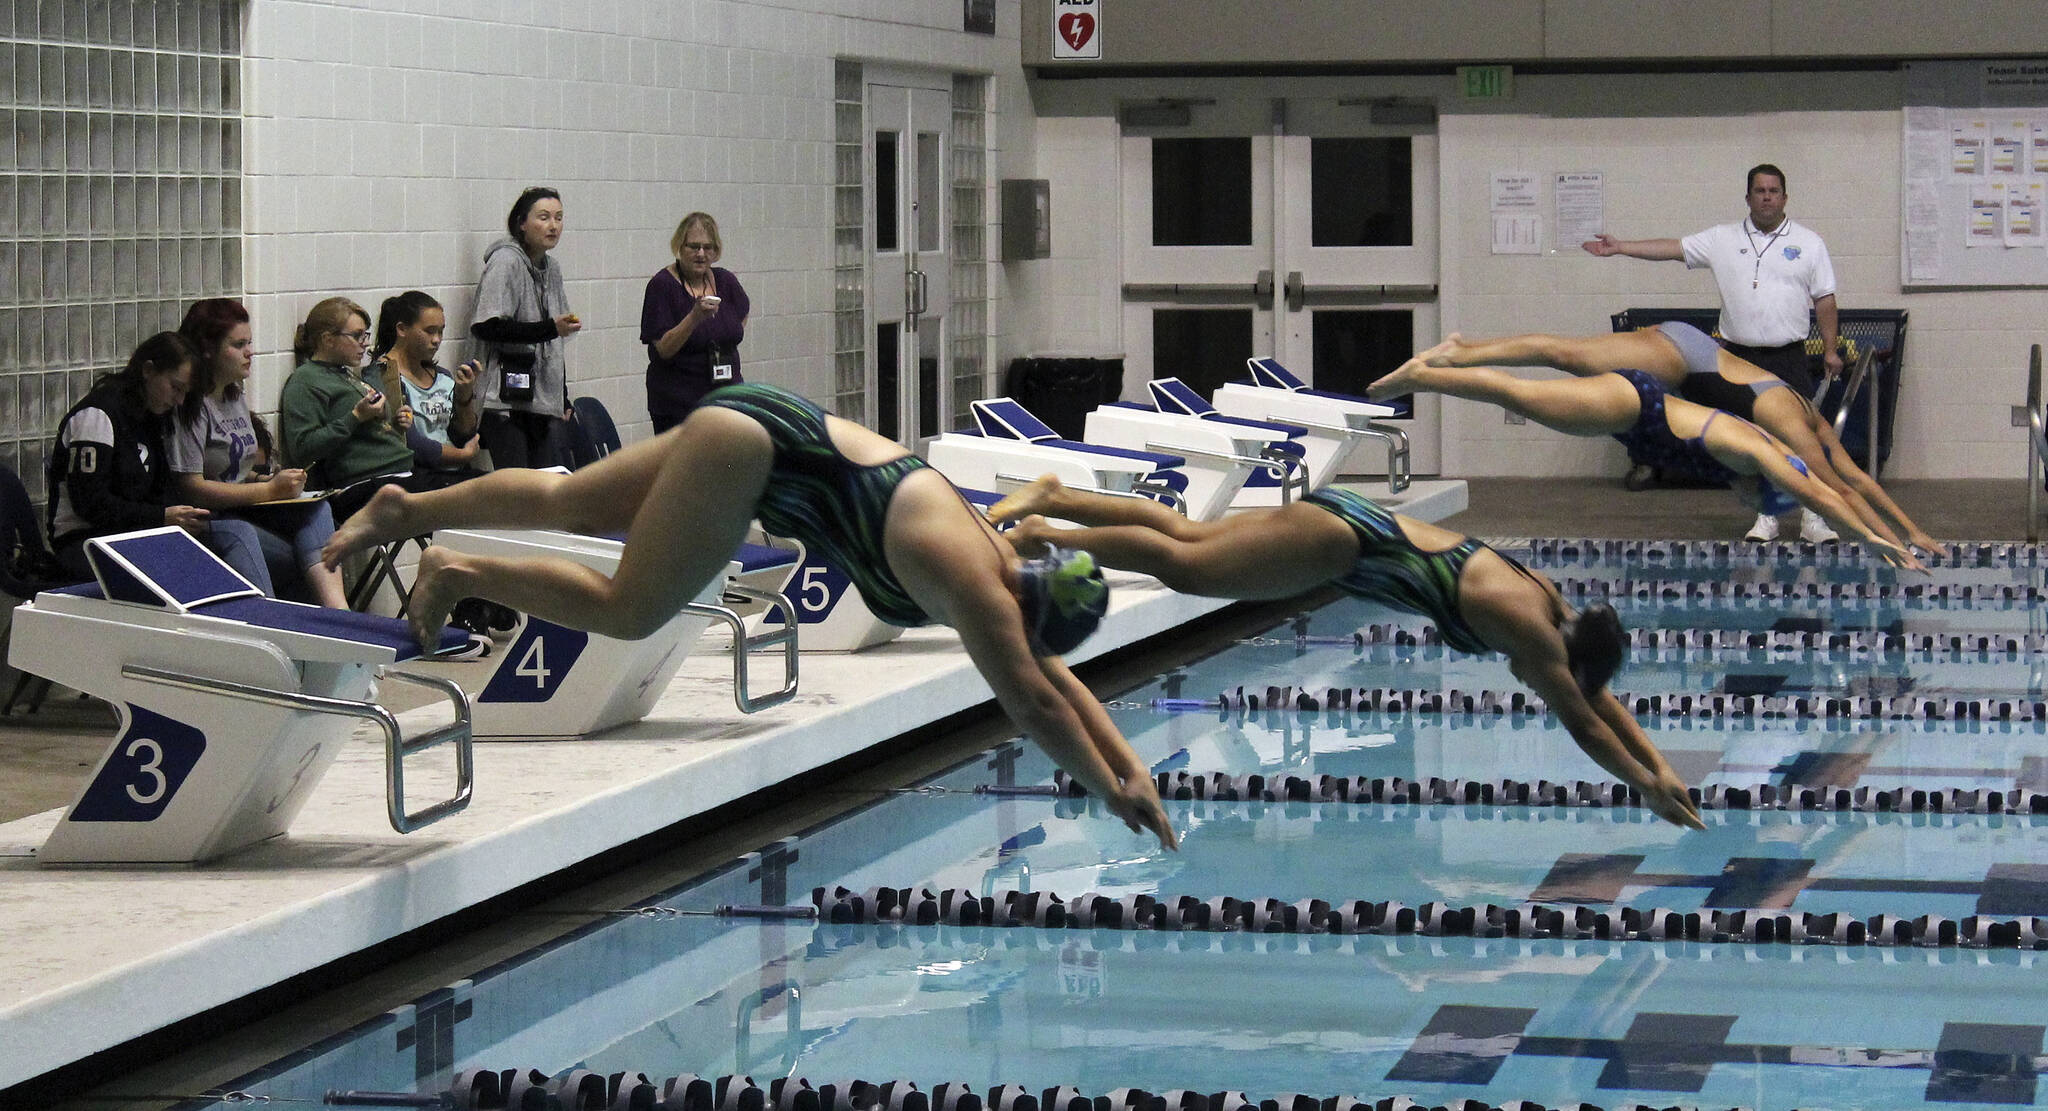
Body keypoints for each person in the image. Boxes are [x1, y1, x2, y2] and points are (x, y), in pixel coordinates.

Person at [321, 382, 1176, 851]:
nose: (1022, 649)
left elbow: (1055, 681)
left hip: (762, 419)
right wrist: (1110, 791)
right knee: (630, 608)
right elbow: (1037, 702)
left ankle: (408, 509)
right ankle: (459, 567)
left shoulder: (999, 555)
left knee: (572, 496)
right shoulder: (982, 593)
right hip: (757, 459)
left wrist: (1130, 767)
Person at [987, 476, 1705, 832]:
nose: (1531, 679)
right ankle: (1046, 538)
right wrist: (1641, 786)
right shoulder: (1531, 629)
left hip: (1351, 518)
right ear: (1566, 656)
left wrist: (1660, 767)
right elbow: (1581, 719)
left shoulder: (1550, 600)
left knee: (1193, 536)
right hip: (1345, 545)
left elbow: (1595, 698)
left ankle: (1055, 501)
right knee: (1188, 567)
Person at [1415, 323, 1943, 555]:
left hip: (1686, 368)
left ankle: (1465, 355)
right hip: (1681, 354)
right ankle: (1464, 351)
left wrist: (1912, 531)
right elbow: (1836, 492)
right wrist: (1889, 542)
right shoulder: (1791, 425)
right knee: (1569, 356)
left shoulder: (1809, 416)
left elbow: (1854, 476)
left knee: (1569, 362)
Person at [1582, 163, 1842, 541]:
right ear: (1748, 197)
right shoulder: (1723, 238)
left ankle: (1814, 518)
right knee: (1750, 439)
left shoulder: (1809, 243)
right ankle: (1766, 515)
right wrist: (1622, 247)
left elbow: (1825, 300)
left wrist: (1832, 349)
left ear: (1785, 197)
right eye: (1759, 190)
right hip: (1738, 357)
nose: (1766, 196)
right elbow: (1674, 249)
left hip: (1788, 356)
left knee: (1801, 438)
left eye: (1773, 190)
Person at [46, 332, 274, 593]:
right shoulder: (98, 416)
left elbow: (158, 488)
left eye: (185, 393)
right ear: (148, 370)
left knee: (249, 540)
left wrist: (180, 516)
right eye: (176, 388)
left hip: (138, 531)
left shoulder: (153, 416)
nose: (178, 401)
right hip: (84, 540)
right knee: (221, 550)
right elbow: (91, 504)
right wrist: (161, 517)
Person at [172, 298, 350, 608]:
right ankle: (277, 628)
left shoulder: (233, 393)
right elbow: (190, 487)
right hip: (209, 518)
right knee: (295, 561)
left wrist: (267, 478)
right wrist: (267, 490)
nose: (250, 352)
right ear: (208, 350)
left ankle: (340, 614)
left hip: (244, 508)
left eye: (250, 342)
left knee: (317, 511)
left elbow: (233, 468)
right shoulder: (192, 405)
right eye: (238, 344)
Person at [278, 297, 420, 523]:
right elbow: (303, 448)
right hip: (363, 485)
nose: (364, 343)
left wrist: (394, 421)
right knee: (468, 495)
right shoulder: (305, 381)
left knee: (474, 486)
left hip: (398, 472)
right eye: (356, 336)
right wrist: (355, 417)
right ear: (327, 340)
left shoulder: (345, 373)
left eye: (366, 335)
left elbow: (367, 435)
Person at [473, 186, 580, 469]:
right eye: (543, 217)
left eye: (559, 218)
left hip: (541, 398)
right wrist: (548, 328)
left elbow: (554, 342)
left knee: (545, 481)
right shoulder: (505, 262)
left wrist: (563, 395)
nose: (553, 225)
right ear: (522, 223)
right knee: (518, 489)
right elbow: (486, 327)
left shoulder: (551, 268)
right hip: (505, 400)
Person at [642, 211, 751, 434]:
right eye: (694, 247)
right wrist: (694, 319)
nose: (701, 254)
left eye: (707, 247)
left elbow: (742, 314)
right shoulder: (662, 286)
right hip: (679, 405)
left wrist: (722, 334)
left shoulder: (725, 280)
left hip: (726, 399)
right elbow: (664, 348)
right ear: (680, 248)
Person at [373, 291, 484, 478]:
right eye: (429, 331)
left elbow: (464, 435)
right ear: (402, 329)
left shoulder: (443, 376)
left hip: (454, 472)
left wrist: (464, 396)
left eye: (441, 331)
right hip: (418, 476)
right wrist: (463, 455)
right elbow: (412, 443)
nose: (437, 340)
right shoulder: (384, 375)